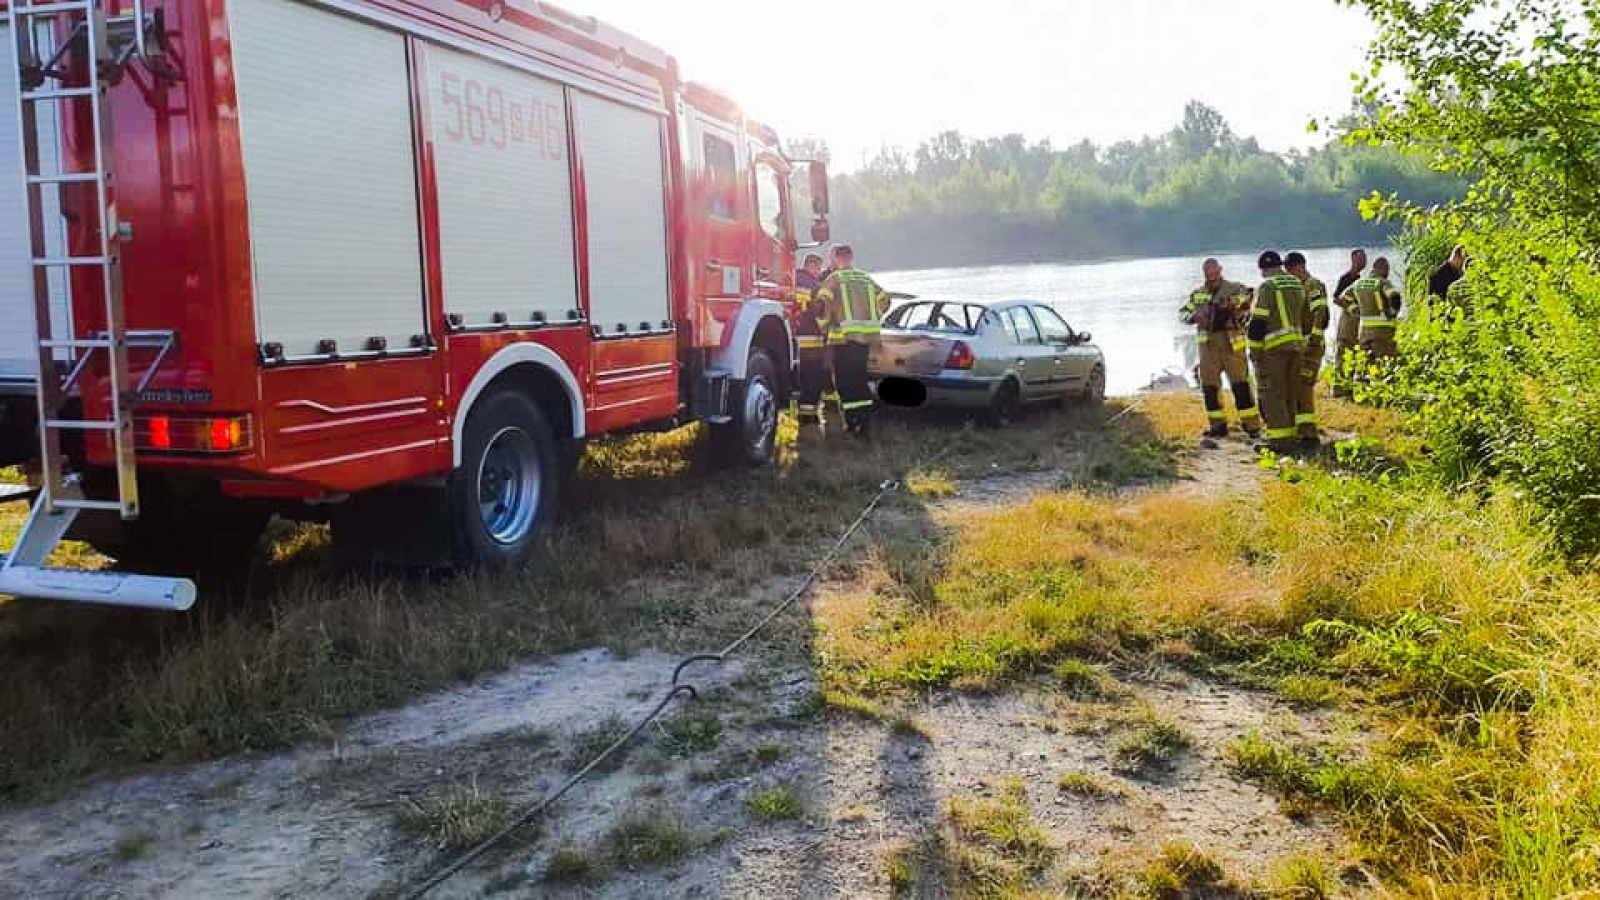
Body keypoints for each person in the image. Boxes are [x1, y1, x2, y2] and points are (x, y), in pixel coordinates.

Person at [1180, 258, 1261, 439]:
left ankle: (1252, 426)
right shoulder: (1198, 294)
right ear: (1204, 273)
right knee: (1210, 388)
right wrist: (1195, 316)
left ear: (1220, 270)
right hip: (1208, 347)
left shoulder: (1234, 288)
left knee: (1241, 386)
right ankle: (1218, 426)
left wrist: (1230, 303)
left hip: (1231, 345)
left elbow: (1249, 296)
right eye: (1208, 274)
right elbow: (1182, 313)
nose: (1212, 277)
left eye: (1215, 273)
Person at [816, 244, 890, 436]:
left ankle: (852, 423)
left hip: (843, 340)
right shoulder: (866, 278)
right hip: (865, 340)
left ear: (835, 258)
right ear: (851, 257)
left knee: (844, 383)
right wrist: (872, 318)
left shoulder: (834, 279)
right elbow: (885, 300)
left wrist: (824, 326)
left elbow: (821, 304)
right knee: (859, 380)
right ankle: (864, 423)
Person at [1247, 250, 1308, 454]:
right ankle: (1291, 436)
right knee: (1290, 394)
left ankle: (1280, 442)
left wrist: (1254, 353)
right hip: (1296, 347)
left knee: (1272, 395)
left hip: (1274, 349)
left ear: (1264, 270)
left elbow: (1258, 323)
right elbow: (1306, 317)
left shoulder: (1267, 286)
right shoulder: (1296, 283)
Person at [1284, 252, 1328, 448]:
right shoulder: (1296, 287)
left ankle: (1309, 435)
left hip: (1311, 345)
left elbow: (1322, 313)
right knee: (1297, 386)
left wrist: (1314, 338)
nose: (1289, 274)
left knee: (1304, 386)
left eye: (1291, 270)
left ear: (1299, 267)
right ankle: (1301, 430)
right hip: (1298, 345)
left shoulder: (1313, 285)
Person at [1340, 256, 1403, 366]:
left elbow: (1344, 299)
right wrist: (1393, 312)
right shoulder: (1382, 282)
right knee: (1386, 366)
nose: (1388, 273)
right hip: (1382, 333)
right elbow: (1394, 296)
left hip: (1364, 333)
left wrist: (1356, 311)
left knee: (1367, 367)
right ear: (1383, 269)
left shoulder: (1359, 284)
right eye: (1387, 270)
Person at [792, 253, 829, 425]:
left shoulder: (793, 278)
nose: (819, 271)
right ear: (811, 265)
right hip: (811, 338)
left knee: (803, 377)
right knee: (813, 376)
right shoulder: (813, 285)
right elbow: (817, 311)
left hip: (796, 336)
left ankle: (803, 413)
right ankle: (809, 415)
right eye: (818, 268)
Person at [1331, 248, 1366, 398]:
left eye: (1364, 259)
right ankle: (1339, 391)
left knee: (1356, 356)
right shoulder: (1346, 278)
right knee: (1343, 355)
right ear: (1353, 260)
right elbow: (1336, 298)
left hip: (1358, 324)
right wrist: (1353, 308)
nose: (1363, 261)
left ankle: (1352, 389)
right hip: (1347, 323)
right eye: (1360, 258)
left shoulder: (1362, 278)